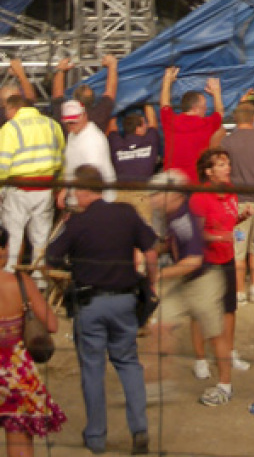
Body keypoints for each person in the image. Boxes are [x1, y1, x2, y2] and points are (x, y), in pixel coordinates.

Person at [46, 165, 157, 455]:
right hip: (124, 300)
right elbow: (151, 250)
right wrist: (152, 286)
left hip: (90, 303)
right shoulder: (126, 213)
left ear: (82, 190)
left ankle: (96, 438)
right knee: (129, 363)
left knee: (92, 370)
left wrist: (67, 226)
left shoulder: (77, 223)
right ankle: (140, 429)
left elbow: (51, 257)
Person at [145, 170, 229, 405]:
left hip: (203, 282)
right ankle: (157, 385)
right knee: (159, 325)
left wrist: (158, 274)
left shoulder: (182, 219)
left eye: (156, 194)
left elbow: (193, 261)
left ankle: (225, 385)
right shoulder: (171, 216)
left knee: (215, 334)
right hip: (184, 281)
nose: (152, 199)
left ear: (172, 196)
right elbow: (172, 244)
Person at [188, 147, 250, 400]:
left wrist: (240, 218)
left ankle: (229, 351)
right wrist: (219, 236)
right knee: (201, 311)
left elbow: (228, 222)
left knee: (229, 309)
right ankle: (200, 358)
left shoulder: (230, 190)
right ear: (208, 172)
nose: (227, 168)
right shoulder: (199, 198)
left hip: (226, 258)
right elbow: (195, 234)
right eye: (221, 165)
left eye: (227, 163)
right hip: (205, 262)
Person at [0, 223, 64, 456]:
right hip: (15, 370)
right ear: (5, 249)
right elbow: (52, 325)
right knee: (18, 434)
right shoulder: (21, 282)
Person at [0, 94, 64, 275]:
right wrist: (58, 186)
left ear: (13, 109)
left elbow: (2, 163)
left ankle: (11, 277)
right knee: (40, 239)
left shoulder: (11, 128)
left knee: (14, 236)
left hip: (18, 189)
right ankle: (39, 279)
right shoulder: (53, 125)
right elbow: (62, 158)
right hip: (45, 189)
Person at [219, 99, 254, 303]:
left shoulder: (227, 142)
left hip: (238, 203)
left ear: (236, 118)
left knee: (238, 249)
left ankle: (240, 291)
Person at [159, 67, 224, 182]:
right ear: (195, 108)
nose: (206, 109)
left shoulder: (171, 122)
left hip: (172, 184)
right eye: (204, 106)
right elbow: (219, 113)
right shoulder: (205, 125)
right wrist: (216, 92)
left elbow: (164, 105)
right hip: (195, 183)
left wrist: (167, 80)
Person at [59, 99, 115, 207]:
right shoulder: (73, 135)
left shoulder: (92, 141)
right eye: (68, 123)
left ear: (84, 115)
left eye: (74, 121)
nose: (71, 125)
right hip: (78, 197)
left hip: (93, 201)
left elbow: (91, 178)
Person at [108, 111, 160, 221]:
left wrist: (119, 108)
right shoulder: (149, 141)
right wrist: (147, 101)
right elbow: (153, 123)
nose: (146, 126)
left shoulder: (116, 143)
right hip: (141, 196)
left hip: (120, 197)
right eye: (143, 124)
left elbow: (111, 126)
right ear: (138, 129)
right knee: (144, 235)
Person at [51, 54, 118, 134]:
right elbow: (110, 92)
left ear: (74, 98)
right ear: (93, 99)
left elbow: (57, 96)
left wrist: (60, 69)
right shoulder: (99, 115)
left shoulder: (64, 115)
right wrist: (112, 65)